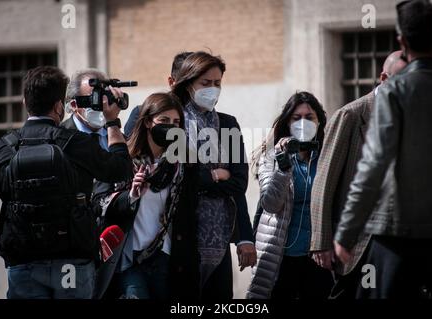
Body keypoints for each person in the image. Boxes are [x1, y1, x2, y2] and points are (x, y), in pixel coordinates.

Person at [334, 0, 432, 299]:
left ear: (402, 41)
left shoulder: (396, 90)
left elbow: (374, 163)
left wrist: (346, 232)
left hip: (398, 232)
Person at [0, 66, 132, 299]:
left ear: (25, 102)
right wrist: (112, 122)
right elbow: (120, 169)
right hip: (73, 263)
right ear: (60, 106)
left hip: (23, 264)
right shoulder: (76, 143)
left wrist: (3, 230)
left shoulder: (6, 148)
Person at [310, 50, 407, 299]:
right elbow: (324, 182)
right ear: (384, 78)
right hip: (358, 242)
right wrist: (321, 241)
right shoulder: (351, 115)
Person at [92, 92, 199, 300]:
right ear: (149, 122)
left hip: (167, 258)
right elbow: (99, 202)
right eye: (164, 121)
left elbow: (191, 213)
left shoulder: (184, 164)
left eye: (176, 122)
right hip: (130, 259)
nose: (171, 127)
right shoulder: (123, 160)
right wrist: (130, 195)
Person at [172, 51, 256, 299]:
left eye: (217, 83)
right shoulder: (174, 123)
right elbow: (180, 178)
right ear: (188, 84)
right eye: (205, 83)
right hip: (182, 236)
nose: (213, 89)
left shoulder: (228, 124)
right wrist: (218, 175)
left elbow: (239, 182)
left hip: (220, 238)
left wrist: (245, 237)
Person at [247, 91, 332, 299]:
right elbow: (271, 204)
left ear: (319, 121)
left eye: (309, 117)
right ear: (288, 123)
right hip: (280, 255)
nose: (303, 122)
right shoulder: (272, 158)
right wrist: (283, 167)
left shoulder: (328, 157)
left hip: (318, 255)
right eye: (297, 118)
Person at [124, 51, 193, 138]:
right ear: (171, 82)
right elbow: (131, 147)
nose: (192, 88)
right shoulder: (143, 113)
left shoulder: (211, 119)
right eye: (164, 120)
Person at [62, 69, 111, 150]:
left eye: (104, 97)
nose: (102, 103)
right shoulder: (61, 137)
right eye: (94, 99)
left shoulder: (117, 136)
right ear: (74, 105)